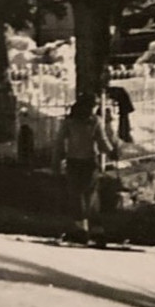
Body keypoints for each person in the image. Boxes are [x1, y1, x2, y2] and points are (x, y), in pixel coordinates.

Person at [55, 96, 116, 245]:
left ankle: (80, 230)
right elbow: (102, 141)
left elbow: (60, 142)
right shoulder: (95, 121)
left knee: (77, 196)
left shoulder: (70, 122)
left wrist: (57, 159)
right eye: (93, 106)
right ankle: (96, 231)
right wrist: (111, 151)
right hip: (89, 162)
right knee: (91, 196)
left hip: (74, 161)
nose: (94, 109)